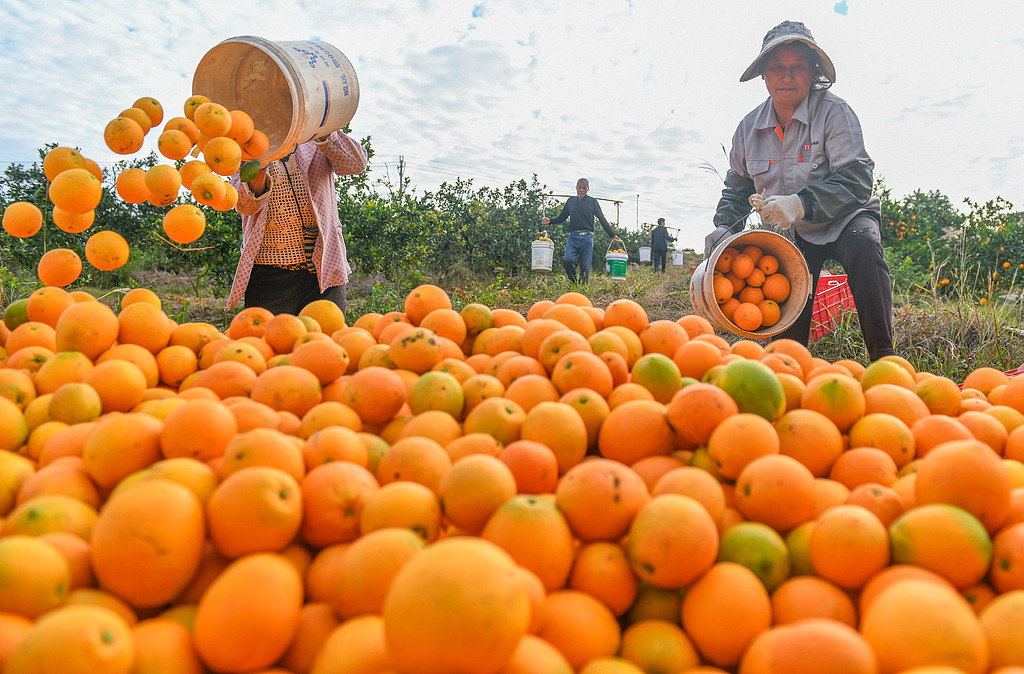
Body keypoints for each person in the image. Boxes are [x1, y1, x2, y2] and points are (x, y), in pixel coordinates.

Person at [704, 20, 896, 361]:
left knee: (865, 247)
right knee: (787, 334)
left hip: (845, 219)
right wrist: (723, 227)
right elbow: (737, 189)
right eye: (777, 67)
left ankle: (885, 358)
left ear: (812, 73)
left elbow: (857, 179)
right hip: (789, 234)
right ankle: (790, 369)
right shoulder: (748, 129)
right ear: (764, 74)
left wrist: (801, 203)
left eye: (798, 67)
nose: (787, 76)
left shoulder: (835, 113)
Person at [228, 130, 368, 315]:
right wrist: (259, 161)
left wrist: (321, 127)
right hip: (270, 276)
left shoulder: (315, 138)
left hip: (324, 269)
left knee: (325, 340)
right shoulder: (246, 149)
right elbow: (245, 205)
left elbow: (356, 163)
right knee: (270, 341)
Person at [542, 178, 619, 284]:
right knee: (568, 260)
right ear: (576, 188)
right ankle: (574, 283)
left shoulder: (592, 202)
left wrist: (612, 234)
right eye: (579, 188)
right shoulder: (571, 201)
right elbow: (562, 217)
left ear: (588, 189)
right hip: (572, 237)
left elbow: (601, 218)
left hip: (587, 238)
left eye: (584, 188)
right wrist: (550, 221)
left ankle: (582, 289)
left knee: (585, 267)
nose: (581, 190)